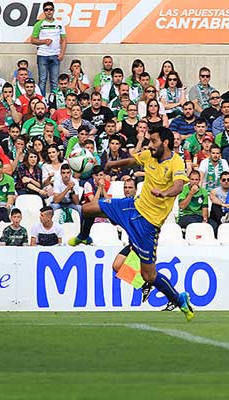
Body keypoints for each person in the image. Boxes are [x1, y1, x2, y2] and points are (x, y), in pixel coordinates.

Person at [68, 126, 195, 321]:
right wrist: (112, 164)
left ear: (166, 143)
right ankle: (84, 236)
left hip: (148, 226)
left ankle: (180, 300)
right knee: (87, 209)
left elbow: (178, 186)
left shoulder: (176, 163)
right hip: (132, 207)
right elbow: (131, 160)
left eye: (153, 141)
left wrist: (165, 193)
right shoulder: (149, 155)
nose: (150, 145)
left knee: (149, 276)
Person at [31, 1, 67, 97]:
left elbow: (64, 40)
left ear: (53, 10)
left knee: (54, 81)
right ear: (44, 12)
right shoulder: (39, 24)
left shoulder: (59, 23)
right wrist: (44, 41)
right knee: (42, 80)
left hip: (55, 55)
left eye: (50, 9)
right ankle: (42, 102)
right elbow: (33, 40)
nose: (49, 11)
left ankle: (53, 102)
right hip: (42, 55)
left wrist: (62, 54)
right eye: (46, 10)